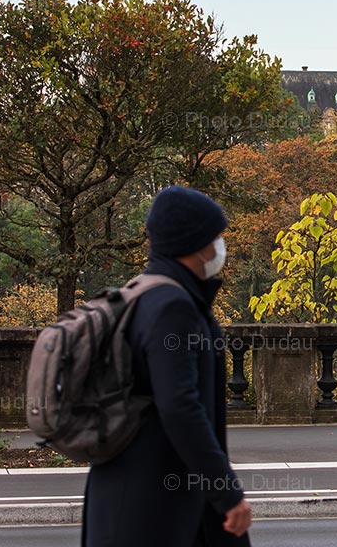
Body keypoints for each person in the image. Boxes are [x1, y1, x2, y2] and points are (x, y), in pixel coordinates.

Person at [83, 185, 252, 546]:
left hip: (137, 496)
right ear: (195, 243)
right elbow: (180, 406)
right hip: (152, 507)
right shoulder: (173, 307)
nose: (220, 246)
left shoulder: (141, 294)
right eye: (215, 237)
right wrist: (225, 491)